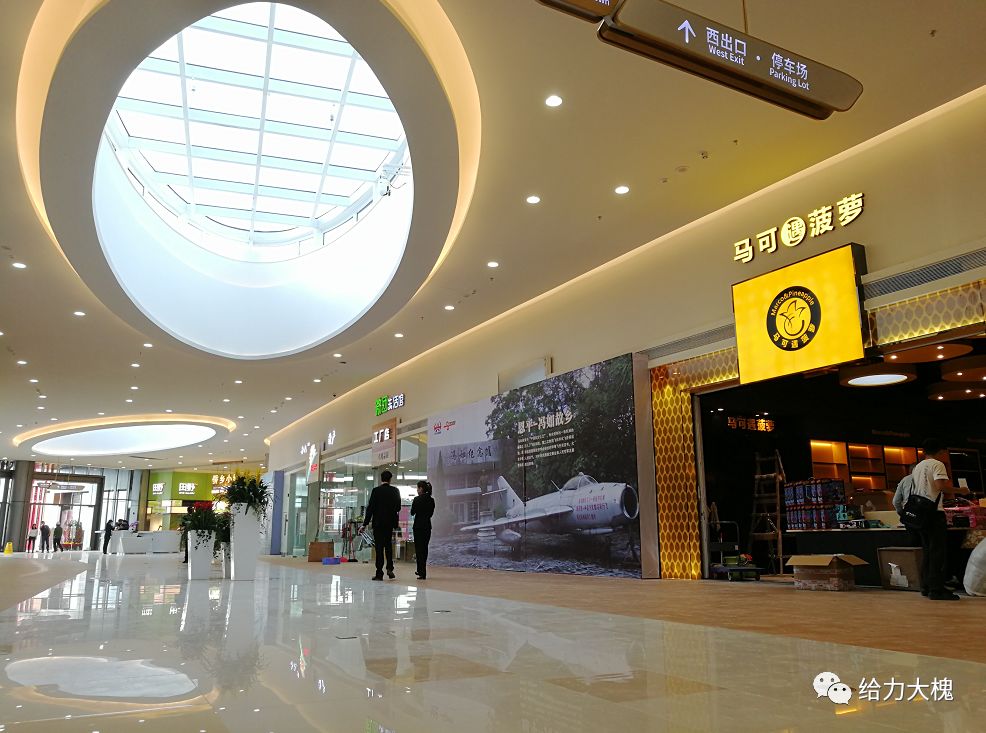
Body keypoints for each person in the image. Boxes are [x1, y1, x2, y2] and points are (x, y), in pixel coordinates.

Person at [912, 439, 970, 601]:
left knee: (927, 550)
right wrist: (961, 490)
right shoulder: (937, 464)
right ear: (940, 451)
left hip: (920, 512)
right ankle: (936, 589)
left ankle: (926, 586)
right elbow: (940, 486)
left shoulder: (918, 467)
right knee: (937, 551)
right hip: (934, 512)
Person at [362, 470, 401, 581]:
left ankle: (379, 573)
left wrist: (365, 524)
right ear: (390, 479)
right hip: (389, 524)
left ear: (381, 479)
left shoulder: (376, 491)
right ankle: (390, 568)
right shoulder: (395, 491)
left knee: (379, 548)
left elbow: (370, 508)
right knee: (388, 546)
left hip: (378, 523)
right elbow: (398, 507)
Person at [411, 480, 435, 580]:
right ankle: (422, 571)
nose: (417, 490)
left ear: (421, 488)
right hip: (427, 526)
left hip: (418, 527)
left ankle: (420, 571)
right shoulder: (431, 500)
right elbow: (430, 514)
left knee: (418, 549)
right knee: (424, 549)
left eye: (417, 488)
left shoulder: (417, 499)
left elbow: (412, 512)